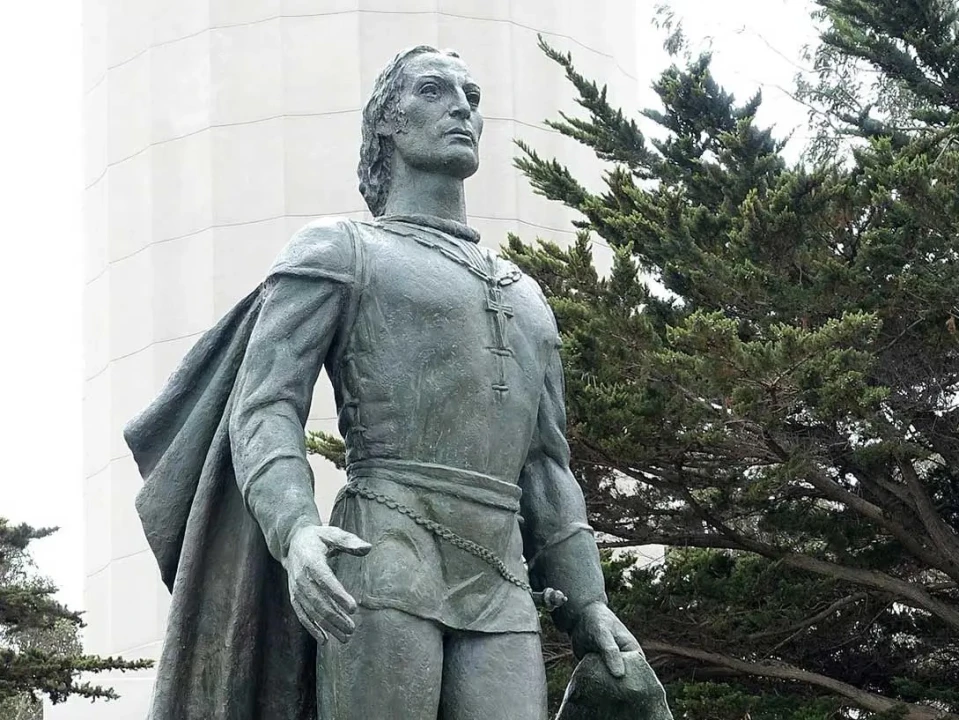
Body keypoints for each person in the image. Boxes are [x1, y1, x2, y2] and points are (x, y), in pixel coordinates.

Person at [127, 45, 643, 720]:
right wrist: (295, 530)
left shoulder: (527, 296)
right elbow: (265, 408)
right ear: (387, 124)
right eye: (433, 90)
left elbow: (546, 466)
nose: (460, 108)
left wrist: (587, 601)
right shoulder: (340, 250)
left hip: (500, 577)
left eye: (471, 96)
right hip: (385, 553)